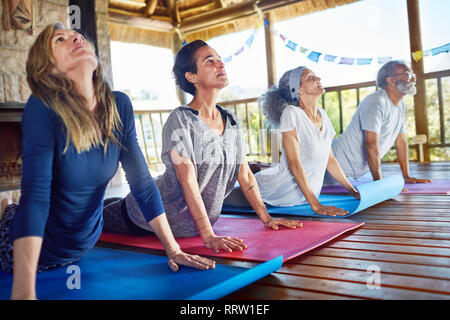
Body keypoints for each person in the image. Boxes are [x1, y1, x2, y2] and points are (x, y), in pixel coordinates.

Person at [0, 23, 215, 300]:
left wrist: (173, 249)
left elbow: (143, 185)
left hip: (85, 244)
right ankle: (7, 213)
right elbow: (37, 197)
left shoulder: (119, 106)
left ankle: (6, 208)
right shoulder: (43, 108)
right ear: (49, 70)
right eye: (60, 40)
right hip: (36, 250)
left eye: (76, 34)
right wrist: (24, 291)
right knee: (16, 215)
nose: (76, 36)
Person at [105, 40, 302, 254]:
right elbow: (187, 181)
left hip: (191, 228)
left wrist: (267, 218)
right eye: (210, 61)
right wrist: (208, 236)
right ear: (192, 76)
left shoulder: (231, 121)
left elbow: (245, 176)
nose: (220, 64)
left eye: (219, 59)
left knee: (106, 204)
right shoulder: (180, 121)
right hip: (146, 216)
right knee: (88, 218)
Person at [225, 66, 359, 217]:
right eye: (310, 77)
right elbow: (294, 163)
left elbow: (331, 160)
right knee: (219, 200)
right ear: (298, 90)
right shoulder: (291, 114)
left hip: (304, 197)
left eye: (316, 76)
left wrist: (352, 190)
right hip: (274, 192)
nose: (318, 79)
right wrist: (316, 205)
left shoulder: (323, 115)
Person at [325, 60, 432, 184]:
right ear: (390, 80)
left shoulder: (400, 106)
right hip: (333, 167)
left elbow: (401, 141)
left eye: (412, 74)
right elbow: (371, 146)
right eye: (407, 74)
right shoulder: (376, 102)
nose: (413, 79)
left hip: (349, 173)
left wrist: (406, 176)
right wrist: (380, 185)